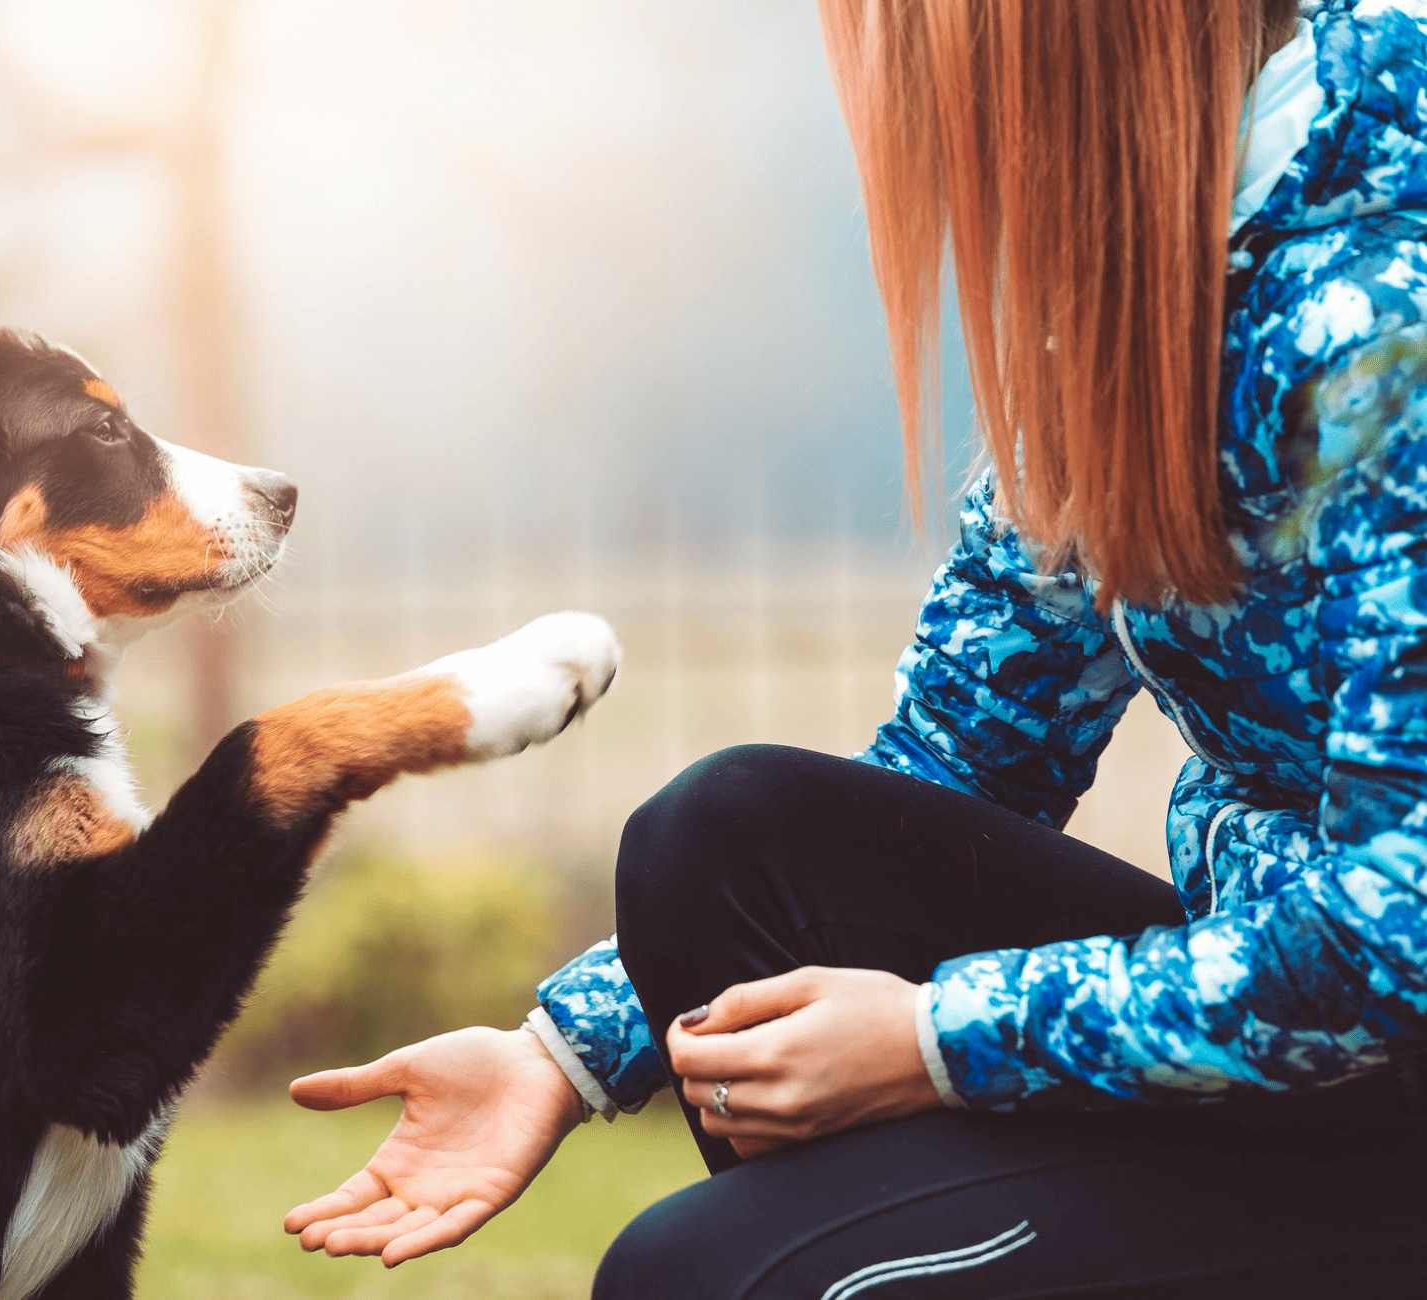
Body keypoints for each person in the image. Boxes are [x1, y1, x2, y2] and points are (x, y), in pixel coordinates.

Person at [283, 1, 1427, 1293]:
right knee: (726, 835)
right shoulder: (1153, 281)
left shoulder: (1393, 299)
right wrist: (566, 1051)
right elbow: (960, 756)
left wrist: (939, 1037)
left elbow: (1403, 927)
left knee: (712, 1276)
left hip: (1385, 1034)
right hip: (1316, 1061)